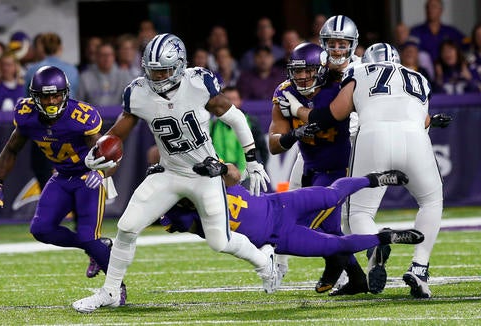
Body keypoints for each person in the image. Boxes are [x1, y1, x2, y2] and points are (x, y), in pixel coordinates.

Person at [72, 33, 272, 313]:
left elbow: (236, 117)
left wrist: (252, 159)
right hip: (169, 172)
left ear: (179, 65)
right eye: (151, 70)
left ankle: (264, 261)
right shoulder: (138, 91)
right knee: (127, 227)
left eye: (163, 70)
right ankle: (110, 291)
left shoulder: (198, 82)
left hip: (204, 173)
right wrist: (100, 150)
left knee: (220, 241)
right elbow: (119, 132)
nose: (156, 77)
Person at [304, 43, 450, 298]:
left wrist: (304, 113)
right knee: (431, 201)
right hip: (415, 138)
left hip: (374, 137)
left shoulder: (359, 71)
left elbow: (336, 113)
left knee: (358, 212)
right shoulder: (418, 77)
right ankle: (420, 267)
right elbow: (423, 120)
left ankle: (376, 242)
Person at [160, 159, 424, 288]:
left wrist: (217, 167)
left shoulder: (203, 177)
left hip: (280, 204)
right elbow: (188, 227)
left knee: (332, 194)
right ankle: (386, 237)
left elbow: (234, 173)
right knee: (335, 245)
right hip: (279, 238)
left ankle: (374, 179)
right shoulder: (183, 215)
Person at [0, 65, 127, 303]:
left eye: (56, 95)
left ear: (66, 93)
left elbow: (109, 155)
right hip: (62, 176)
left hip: (87, 178)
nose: (51, 101)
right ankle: (95, 248)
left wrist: (101, 174)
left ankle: (117, 287)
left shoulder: (81, 116)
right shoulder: (26, 113)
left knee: (88, 236)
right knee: (41, 230)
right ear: (34, 96)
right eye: (45, 96)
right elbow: (11, 148)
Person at [269, 41, 363, 295]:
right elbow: (274, 144)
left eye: (308, 70)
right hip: (311, 168)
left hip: (340, 166)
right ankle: (355, 277)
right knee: (328, 228)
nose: (301, 76)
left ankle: (338, 263)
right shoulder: (285, 92)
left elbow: (331, 117)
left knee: (310, 224)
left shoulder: (338, 88)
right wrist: (293, 134)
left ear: (321, 68)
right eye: (297, 71)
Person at [24, 32, 81, 189]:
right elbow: (77, 99)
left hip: (41, 126)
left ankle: (50, 203)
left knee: (41, 170)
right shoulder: (73, 71)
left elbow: (27, 101)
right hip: (69, 126)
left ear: (42, 47)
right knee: (72, 169)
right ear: (60, 48)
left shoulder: (32, 70)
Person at [210, 86, 269, 173]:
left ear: (240, 101)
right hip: (220, 173)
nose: (231, 103)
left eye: (234, 99)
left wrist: (260, 169)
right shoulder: (213, 123)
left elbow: (262, 148)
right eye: (227, 99)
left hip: (246, 174)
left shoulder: (251, 122)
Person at [77, 42, 132, 107]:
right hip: (92, 115)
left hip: (119, 115)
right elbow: (79, 102)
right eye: (103, 55)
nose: (107, 58)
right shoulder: (85, 77)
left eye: (109, 55)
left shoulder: (125, 76)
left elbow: (131, 102)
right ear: (96, 57)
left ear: (114, 57)